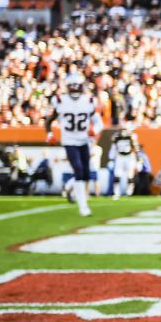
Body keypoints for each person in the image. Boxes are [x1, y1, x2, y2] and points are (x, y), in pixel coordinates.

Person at [46, 72, 100, 217]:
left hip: (83, 141)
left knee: (85, 174)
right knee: (78, 169)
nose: (75, 89)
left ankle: (70, 186)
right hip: (69, 141)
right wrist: (49, 134)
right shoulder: (60, 100)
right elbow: (49, 120)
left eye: (77, 86)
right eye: (73, 86)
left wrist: (94, 130)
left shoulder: (88, 101)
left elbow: (99, 122)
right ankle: (84, 208)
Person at [111, 126, 140, 199]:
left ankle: (129, 192)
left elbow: (136, 148)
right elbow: (113, 145)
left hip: (129, 157)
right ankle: (116, 192)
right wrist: (112, 157)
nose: (123, 132)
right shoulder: (117, 137)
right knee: (117, 175)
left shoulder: (132, 137)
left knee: (130, 175)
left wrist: (138, 159)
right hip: (120, 156)